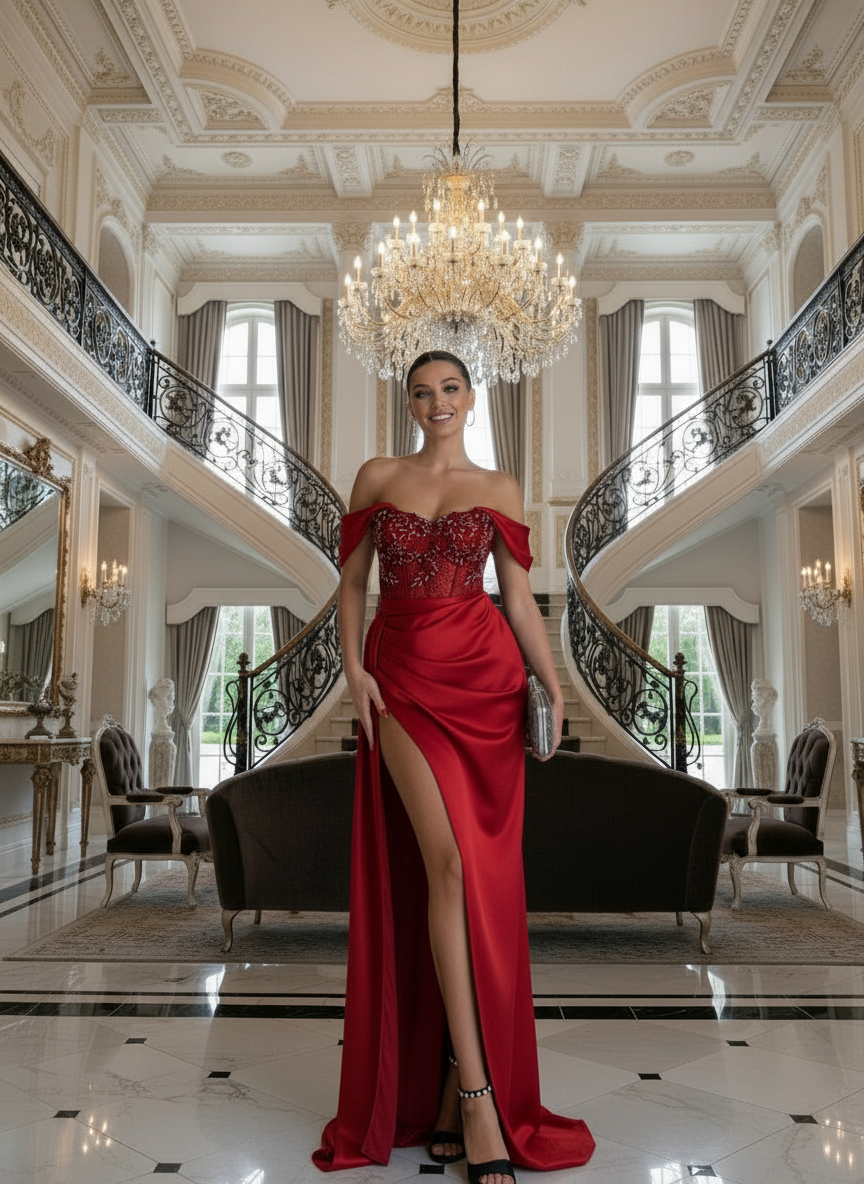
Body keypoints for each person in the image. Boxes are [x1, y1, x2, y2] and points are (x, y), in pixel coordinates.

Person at [313, 351, 595, 1182]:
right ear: (408, 402)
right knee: (440, 862)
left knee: (474, 879)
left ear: (473, 398)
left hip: (484, 682)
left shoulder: (501, 489)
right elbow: (352, 586)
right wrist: (352, 670)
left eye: (450, 390)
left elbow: (515, 602)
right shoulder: (377, 475)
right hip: (397, 676)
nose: (437, 403)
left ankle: (448, 1085)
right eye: (422, 392)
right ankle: (476, 1097)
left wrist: (552, 684)